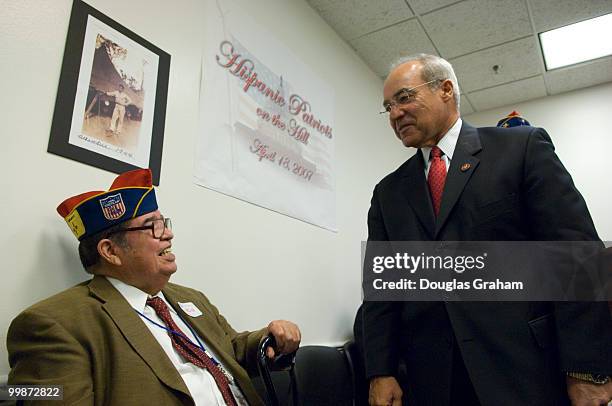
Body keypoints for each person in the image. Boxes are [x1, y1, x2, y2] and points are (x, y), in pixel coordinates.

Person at [361, 54, 612, 406]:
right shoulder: (388, 192)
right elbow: (381, 291)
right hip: (433, 382)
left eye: (404, 98)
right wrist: (381, 371)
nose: (394, 114)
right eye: (388, 106)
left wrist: (587, 370)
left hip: (524, 371)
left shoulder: (521, 149)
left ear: (445, 89)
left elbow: (576, 257)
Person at [7, 168, 301, 405]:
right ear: (110, 251)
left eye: (165, 223)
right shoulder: (53, 324)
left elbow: (231, 351)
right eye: (153, 226)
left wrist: (271, 337)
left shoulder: (191, 298)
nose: (168, 234)